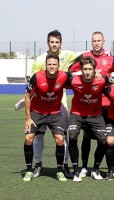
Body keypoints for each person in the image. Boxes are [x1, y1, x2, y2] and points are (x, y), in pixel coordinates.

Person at [16, 30, 79, 178]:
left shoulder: (68, 56)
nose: (54, 44)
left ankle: (62, 166)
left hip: (59, 102)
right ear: (48, 43)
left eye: (57, 42)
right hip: (39, 103)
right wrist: (25, 104)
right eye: (52, 42)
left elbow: (84, 59)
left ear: (60, 43)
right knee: (36, 136)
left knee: (61, 137)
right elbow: (31, 88)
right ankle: (37, 166)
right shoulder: (39, 61)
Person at [68, 31, 114, 178]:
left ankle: (109, 167)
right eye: (94, 41)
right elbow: (70, 69)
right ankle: (84, 167)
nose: (96, 43)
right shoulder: (85, 56)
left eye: (99, 40)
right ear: (91, 42)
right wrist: (81, 75)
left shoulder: (110, 57)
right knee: (86, 136)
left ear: (104, 41)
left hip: (106, 104)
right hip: (87, 105)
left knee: (107, 138)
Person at [22, 54, 69, 182]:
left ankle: (60, 170)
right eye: (49, 64)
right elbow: (27, 97)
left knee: (60, 139)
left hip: (55, 113)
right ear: (45, 65)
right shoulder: (37, 77)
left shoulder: (64, 76)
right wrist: (28, 117)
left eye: (54, 64)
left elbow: (80, 81)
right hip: (37, 112)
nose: (52, 67)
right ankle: (29, 170)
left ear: (58, 66)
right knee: (28, 138)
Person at [67, 56, 113, 182]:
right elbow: (59, 77)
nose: (87, 72)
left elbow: (113, 88)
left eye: (90, 69)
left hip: (95, 115)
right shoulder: (73, 80)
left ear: (95, 70)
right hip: (77, 114)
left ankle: (95, 169)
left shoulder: (102, 79)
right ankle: (76, 171)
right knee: (72, 137)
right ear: (81, 69)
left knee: (104, 141)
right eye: (85, 69)